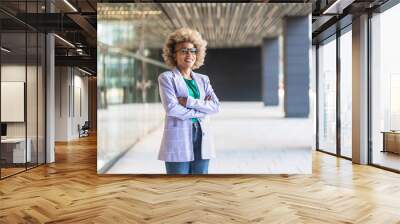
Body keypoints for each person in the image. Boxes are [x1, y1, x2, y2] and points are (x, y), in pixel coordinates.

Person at [157, 27, 220, 174]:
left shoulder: (203, 80)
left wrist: (189, 102)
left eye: (193, 51)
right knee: (178, 184)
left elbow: (216, 106)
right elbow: (172, 109)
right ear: (174, 55)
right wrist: (203, 110)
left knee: (200, 182)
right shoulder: (167, 78)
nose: (189, 55)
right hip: (179, 137)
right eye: (184, 51)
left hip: (202, 136)